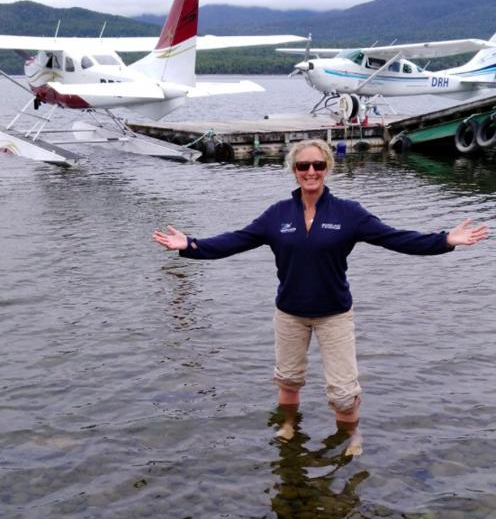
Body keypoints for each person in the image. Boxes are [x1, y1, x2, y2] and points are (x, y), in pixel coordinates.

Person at [152, 139, 489, 452]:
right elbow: (235, 241)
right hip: (290, 314)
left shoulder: (349, 214)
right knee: (288, 380)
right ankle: (288, 424)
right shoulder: (277, 215)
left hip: (334, 315)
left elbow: (396, 238)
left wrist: (445, 240)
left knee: (343, 393)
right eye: (303, 166)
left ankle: (351, 433)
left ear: (327, 167)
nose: (310, 172)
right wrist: (191, 245)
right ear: (294, 171)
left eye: (317, 165)